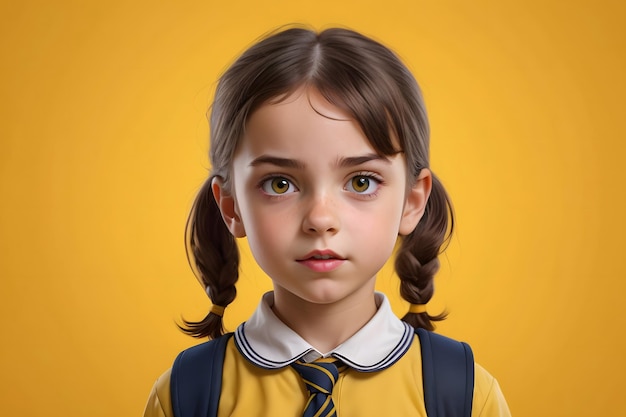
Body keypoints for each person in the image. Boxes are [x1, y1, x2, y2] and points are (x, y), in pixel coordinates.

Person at [143, 26, 511, 417]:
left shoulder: (466, 394)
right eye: (280, 183)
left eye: (361, 181)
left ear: (412, 200)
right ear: (231, 206)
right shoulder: (187, 393)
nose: (320, 219)